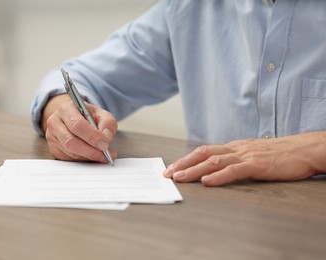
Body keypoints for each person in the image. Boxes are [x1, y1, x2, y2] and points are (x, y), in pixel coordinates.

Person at [31, 0, 326, 186]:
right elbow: (85, 76)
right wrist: (62, 113)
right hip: (221, 223)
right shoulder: (189, 8)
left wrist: (316, 148)